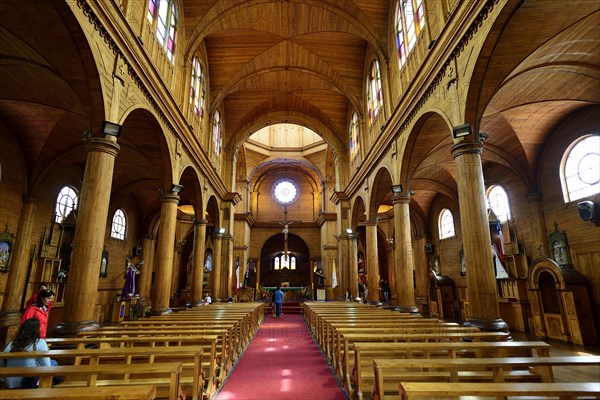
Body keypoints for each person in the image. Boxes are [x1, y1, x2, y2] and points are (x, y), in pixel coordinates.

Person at [2, 318, 52, 389]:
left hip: (10, 383)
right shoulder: (40, 342)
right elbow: (47, 366)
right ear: (36, 330)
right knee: (53, 363)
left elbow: (1, 364)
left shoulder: (12, 344)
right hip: (28, 383)